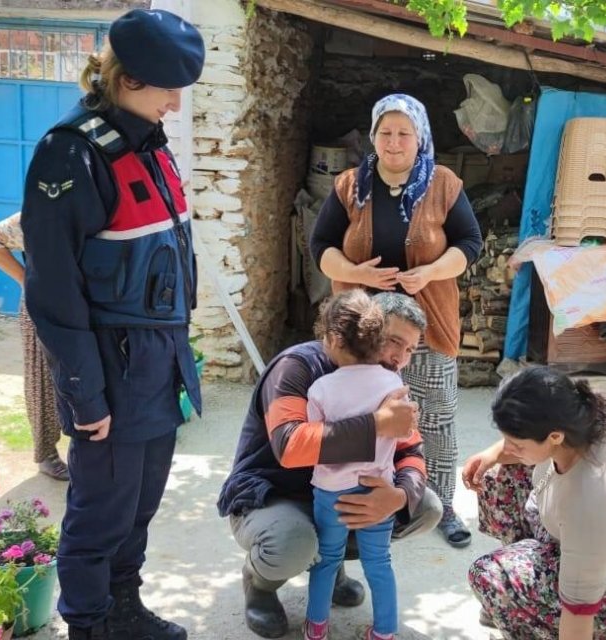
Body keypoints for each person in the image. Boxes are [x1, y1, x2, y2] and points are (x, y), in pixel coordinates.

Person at [18, 9, 205, 640]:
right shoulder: (69, 154)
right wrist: (83, 392)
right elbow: (54, 291)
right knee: (100, 511)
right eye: (168, 90)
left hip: (159, 361)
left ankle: (125, 609)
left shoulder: (145, 142)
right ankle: (91, 626)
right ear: (129, 80)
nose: (175, 105)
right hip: (110, 368)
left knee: (140, 503)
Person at [310, 94, 484, 549]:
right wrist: (356, 275)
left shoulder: (443, 184)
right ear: (373, 136)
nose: (394, 142)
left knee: (436, 417)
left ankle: (441, 506)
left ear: (419, 136)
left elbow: (469, 244)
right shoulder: (350, 185)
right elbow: (321, 246)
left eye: (404, 133)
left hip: (426, 322)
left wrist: (428, 271)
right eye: (385, 133)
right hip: (361, 330)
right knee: (359, 414)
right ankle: (358, 497)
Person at [217, 292, 443, 639]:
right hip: (275, 495)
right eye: (394, 342)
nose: (400, 357)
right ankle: (259, 583)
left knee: (425, 506)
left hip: (335, 494)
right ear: (370, 329)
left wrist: (398, 497)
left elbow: (411, 450)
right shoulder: (297, 367)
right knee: (292, 541)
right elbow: (289, 446)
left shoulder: (387, 380)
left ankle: (331, 564)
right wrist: (376, 424)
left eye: (410, 350)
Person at [462, 366, 606, 640]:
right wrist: (492, 455)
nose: (506, 448)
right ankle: (528, 591)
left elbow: (579, 610)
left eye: (515, 443)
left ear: (555, 436)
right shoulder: (584, 413)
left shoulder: (597, 495)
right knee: (499, 476)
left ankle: (525, 605)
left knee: (490, 576)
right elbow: (522, 450)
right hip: (590, 536)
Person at [304, 290, 407, 640]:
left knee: (326, 560)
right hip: (377, 488)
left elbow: (316, 444)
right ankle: (384, 631)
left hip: (330, 492)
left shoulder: (319, 389)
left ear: (333, 339)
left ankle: (316, 628)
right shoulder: (394, 382)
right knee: (379, 563)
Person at [0, 212, 68, 481]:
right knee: (42, 380)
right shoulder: (38, 215)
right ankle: (46, 454)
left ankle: (87, 449)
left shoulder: (96, 213)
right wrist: (25, 279)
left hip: (85, 310)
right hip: (41, 308)